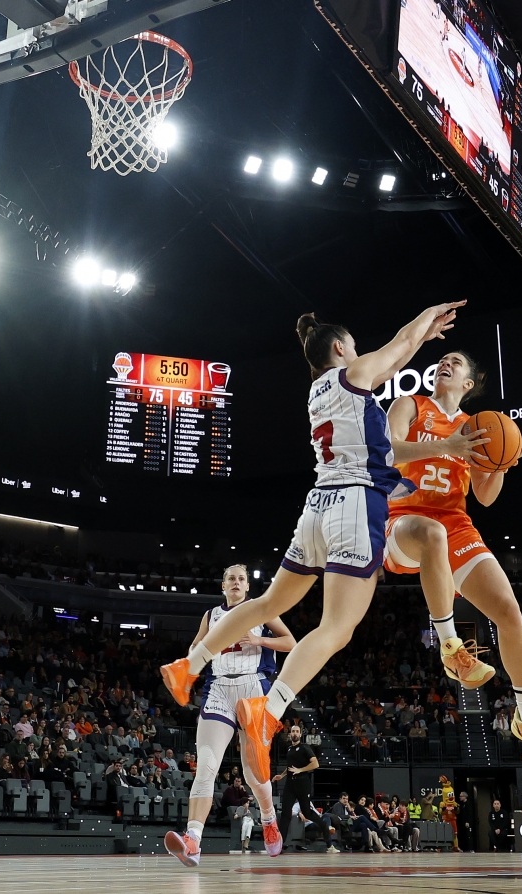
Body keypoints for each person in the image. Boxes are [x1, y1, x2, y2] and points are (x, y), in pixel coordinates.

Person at [159, 304, 464, 783]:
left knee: (268, 603)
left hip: (318, 506)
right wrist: (427, 318)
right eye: (354, 345)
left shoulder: (319, 389)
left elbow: (395, 361)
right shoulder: (353, 374)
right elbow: (400, 346)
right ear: (340, 348)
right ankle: (267, 712)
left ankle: (188, 665)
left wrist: (420, 338)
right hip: (354, 504)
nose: (361, 352)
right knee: (337, 628)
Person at [381, 350, 522, 775]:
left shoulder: (478, 426)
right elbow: (386, 451)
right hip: (404, 519)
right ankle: (451, 648)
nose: (445, 363)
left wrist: (502, 463)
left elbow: (484, 496)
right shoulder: (410, 405)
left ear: (468, 383)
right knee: (432, 533)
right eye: (443, 359)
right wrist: (446, 446)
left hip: (456, 524)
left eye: (456, 362)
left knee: (510, 613)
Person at [163, 565, 295, 867]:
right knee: (206, 766)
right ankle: (193, 840)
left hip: (254, 687)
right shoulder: (211, 616)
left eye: (241, 579)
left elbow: (291, 643)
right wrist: (199, 651)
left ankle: (268, 818)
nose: (236, 582)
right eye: (231, 579)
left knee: (253, 773)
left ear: (247, 586)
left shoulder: (261, 608)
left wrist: (260, 641)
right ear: (223, 586)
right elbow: (195, 648)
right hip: (219, 688)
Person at [272, 724, 337, 852]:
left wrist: (300, 770)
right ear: (290, 734)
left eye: (297, 731)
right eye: (293, 731)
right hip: (290, 783)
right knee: (285, 813)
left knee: (307, 813)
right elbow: (290, 767)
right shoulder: (289, 749)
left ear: (300, 734)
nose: (295, 733)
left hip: (302, 783)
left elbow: (315, 764)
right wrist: (282, 775)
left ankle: (328, 840)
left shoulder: (305, 747)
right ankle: (279, 845)